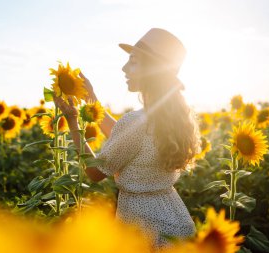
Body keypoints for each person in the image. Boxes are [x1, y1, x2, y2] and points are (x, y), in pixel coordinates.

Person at [53, 28, 201, 247]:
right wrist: (92, 101)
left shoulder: (136, 121)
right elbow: (126, 138)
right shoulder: (169, 117)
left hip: (142, 225)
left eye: (133, 62)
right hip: (174, 218)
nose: (124, 68)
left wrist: (73, 122)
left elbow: (95, 172)